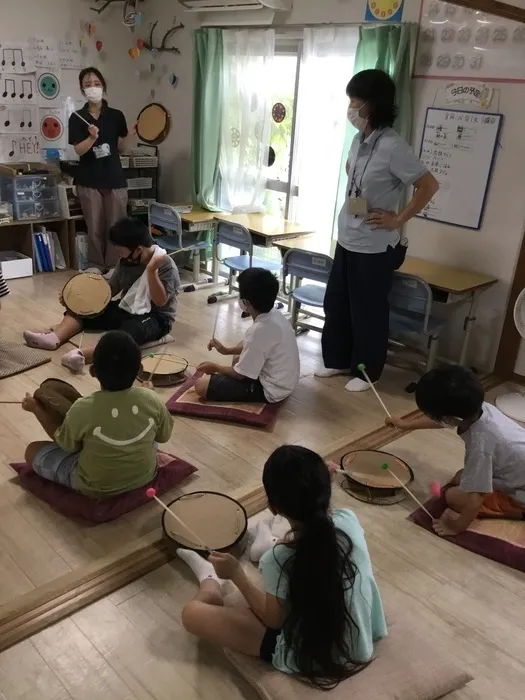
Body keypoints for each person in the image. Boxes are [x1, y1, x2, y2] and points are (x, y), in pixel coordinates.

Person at [178, 445, 386, 688]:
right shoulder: (348, 520)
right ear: (326, 492)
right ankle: (264, 541)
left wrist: (237, 574)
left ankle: (210, 578)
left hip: (311, 655)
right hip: (360, 638)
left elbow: (274, 620)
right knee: (304, 558)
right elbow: (323, 520)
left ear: (273, 508)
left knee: (191, 614)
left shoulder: (280, 559)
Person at [316, 69, 439, 392]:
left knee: (367, 311)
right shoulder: (359, 140)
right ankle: (340, 361)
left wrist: (397, 218)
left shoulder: (394, 146)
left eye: (355, 100)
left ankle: (367, 372)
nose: (351, 107)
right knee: (338, 304)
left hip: (374, 246)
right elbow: (352, 173)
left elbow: (428, 185)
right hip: (348, 238)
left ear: (373, 104)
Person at [22, 330, 173, 498]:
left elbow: (66, 446)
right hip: (145, 475)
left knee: (31, 450)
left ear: (93, 371)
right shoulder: (152, 399)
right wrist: (147, 394)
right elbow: (163, 436)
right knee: (149, 427)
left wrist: (36, 409)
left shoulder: (82, 409)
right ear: (139, 370)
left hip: (95, 485)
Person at [23, 217, 180, 374]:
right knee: (83, 310)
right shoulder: (126, 260)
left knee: (126, 334)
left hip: (156, 317)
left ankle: (81, 354)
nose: (119, 254)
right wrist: (78, 300)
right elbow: (110, 289)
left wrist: (151, 271)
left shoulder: (165, 265)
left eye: (120, 250)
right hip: (127, 308)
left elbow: (160, 301)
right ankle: (53, 339)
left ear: (138, 249)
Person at [388, 365, 525, 536]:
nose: (432, 418)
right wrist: (406, 425)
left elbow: (476, 499)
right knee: (461, 477)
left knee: (453, 497)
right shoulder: (480, 408)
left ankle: (518, 509)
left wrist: (455, 527)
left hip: (520, 491)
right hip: (513, 470)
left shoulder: (481, 445)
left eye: (431, 415)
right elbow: (444, 421)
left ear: (451, 418)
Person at [195, 268, 300, 403]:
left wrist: (216, 367)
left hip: (271, 389)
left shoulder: (259, 330)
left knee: (200, 385)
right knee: (239, 355)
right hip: (285, 381)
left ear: (246, 303)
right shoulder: (275, 314)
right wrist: (226, 350)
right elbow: (255, 345)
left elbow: (239, 375)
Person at [69, 67, 134, 274]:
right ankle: (97, 266)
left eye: (96, 83)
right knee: (94, 227)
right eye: (87, 85)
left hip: (114, 178)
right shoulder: (77, 117)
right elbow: (79, 149)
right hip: (89, 179)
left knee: (116, 227)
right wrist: (91, 138)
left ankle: (116, 266)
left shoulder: (116, 115)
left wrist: (131, 135)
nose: (93, 88)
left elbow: (121, 148)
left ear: (103, 85)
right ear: (82, 89)